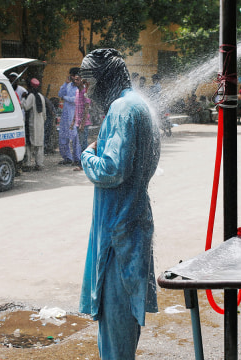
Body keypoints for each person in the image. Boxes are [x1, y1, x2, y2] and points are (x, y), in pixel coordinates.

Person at [78, 48, 161, 360]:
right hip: (135, 221)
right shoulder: (140, 104)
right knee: (126, 318)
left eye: (89, 82)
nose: (86, 91)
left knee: (115, 327)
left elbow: (111, 169)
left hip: (118, 230)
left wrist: (87, 155)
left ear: (105, 78)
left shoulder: (121, 109)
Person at [57, 67, 81, 166]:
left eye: (71, 75)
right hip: (65, 115)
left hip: (74, 115)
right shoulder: (68, 85)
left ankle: (77, 158)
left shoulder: (80, 87)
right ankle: (67, 157)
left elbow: (76, 99)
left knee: (75, 138)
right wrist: (65, 84)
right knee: (63, 135)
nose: (70, 77)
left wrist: (65, 98)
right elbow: (60, 94)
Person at [21, 78, 46, 170]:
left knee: (29, 144)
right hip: (40, 124)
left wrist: (23, 99)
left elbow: (26, 107)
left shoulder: (31, 96)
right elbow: (44, 113)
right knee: (39, 144)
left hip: (32, 124)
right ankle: (39, 163)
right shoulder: (40, 96)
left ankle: (28, 164)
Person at [73, 78, 92, 171]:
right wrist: (73, 121)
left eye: (77, 79)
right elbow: (76, 107)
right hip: (78, 122)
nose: (75, 81)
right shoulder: (77, 91)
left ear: (81, 80)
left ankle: (84, 165)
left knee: (84, 144)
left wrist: (82, 123)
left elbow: (86, 108)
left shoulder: (85, 92)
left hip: (84, 123)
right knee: (81, 144)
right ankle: (85, 164)